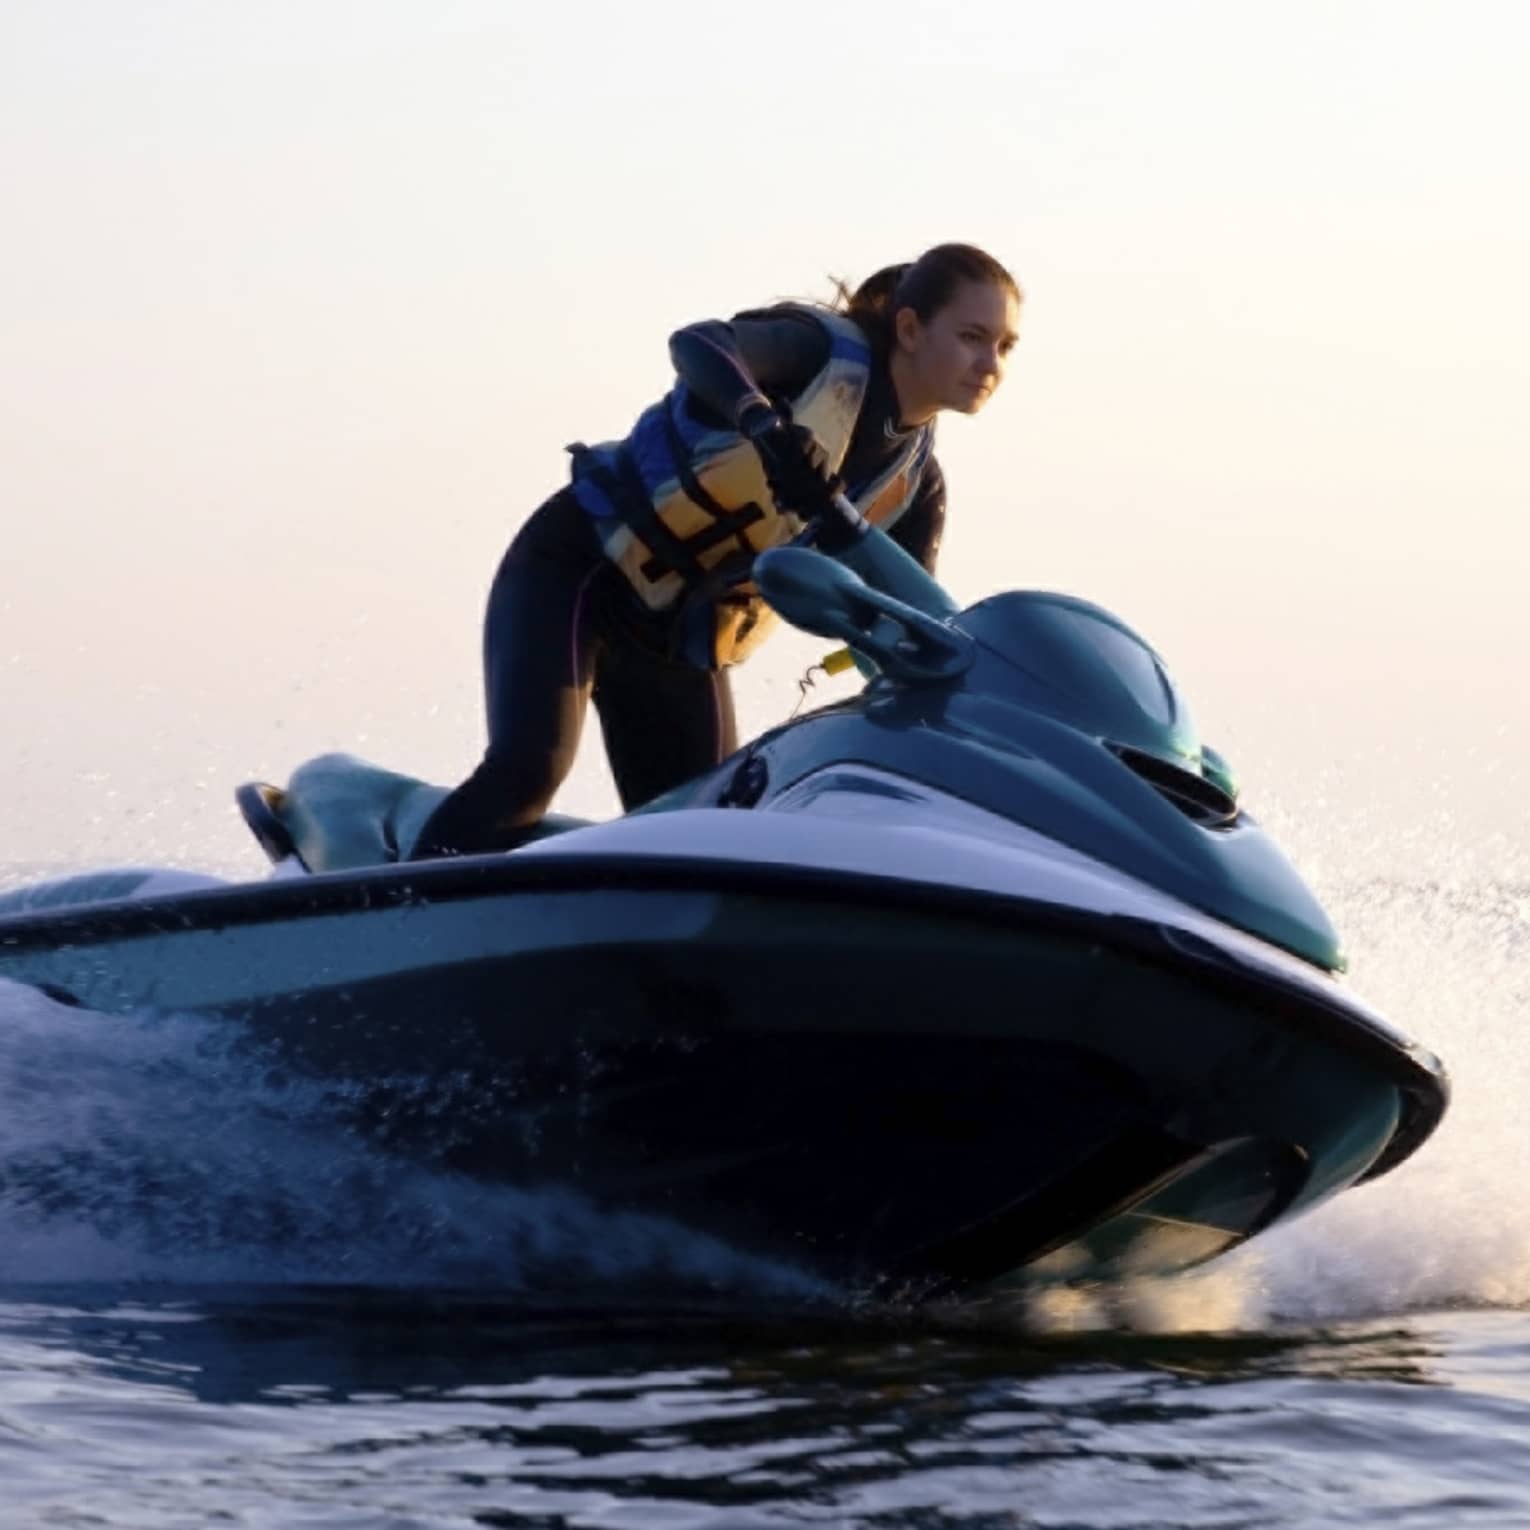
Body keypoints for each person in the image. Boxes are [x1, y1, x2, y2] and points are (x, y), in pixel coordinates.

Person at [409, 242, 1022, 859]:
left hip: (679, 641)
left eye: (1004, 346)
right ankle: (393, 914)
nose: (990, 362)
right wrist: (765, 426)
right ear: (910, 329)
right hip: (581, 569)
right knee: (526, 773)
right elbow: (696, 344)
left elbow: (908, 630)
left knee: (705, 841)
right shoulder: (818, 354)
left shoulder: (914, 486)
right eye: (973, 336)